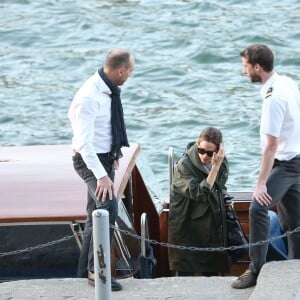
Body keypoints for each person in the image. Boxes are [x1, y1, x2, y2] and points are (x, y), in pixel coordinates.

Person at [231, 44, 300, 289]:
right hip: (296, 161)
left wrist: (261, 183)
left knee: (257, 209)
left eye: (245, 67)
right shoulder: (287, 83)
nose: (244, 72)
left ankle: (255, 269)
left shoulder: (273, 98)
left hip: (285, 164)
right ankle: (296, 267)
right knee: (294, 219)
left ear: (257, 67)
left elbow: (271, 146)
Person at [68, 49, 135, 291]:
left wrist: (113, 152)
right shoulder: (89, 96)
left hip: (105, 157)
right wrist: (102, 175)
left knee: (93, 214)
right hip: (89, 161)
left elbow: (106, 127)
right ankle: (96, 271)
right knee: (107, 208)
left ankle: (82, 272)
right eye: (130, 72)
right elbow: (84, 144)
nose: (129, 76)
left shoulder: (108, 90)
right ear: (120, 71)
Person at [168, 127, 232, 276]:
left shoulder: (221, 161)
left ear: (218, 150)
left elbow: (220, 186)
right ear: (197, 144)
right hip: (187, 226)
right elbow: (199, 193)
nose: (204, 156)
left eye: (210, 153)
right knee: (186, 275)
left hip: (210, 224)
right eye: (201, 150)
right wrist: (214, 168)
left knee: (211, 274)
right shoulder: (184, 165)